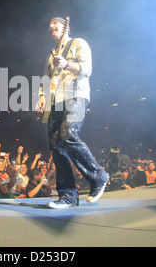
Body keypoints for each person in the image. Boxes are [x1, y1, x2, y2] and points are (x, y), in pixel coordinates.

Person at [36, 16, 109, 208]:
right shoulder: (50, 54)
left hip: (75, 95)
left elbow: (87, 69)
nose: (51, 26)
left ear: (66, 26)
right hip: (55, 102)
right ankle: (68, 195)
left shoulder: (78, 43)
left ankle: (98, 176)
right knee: (55, 146)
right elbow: (45, 77)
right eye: (49, 24)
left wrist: (66, 64)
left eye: (55, 23)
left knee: (68, 135)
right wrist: (41, 96)